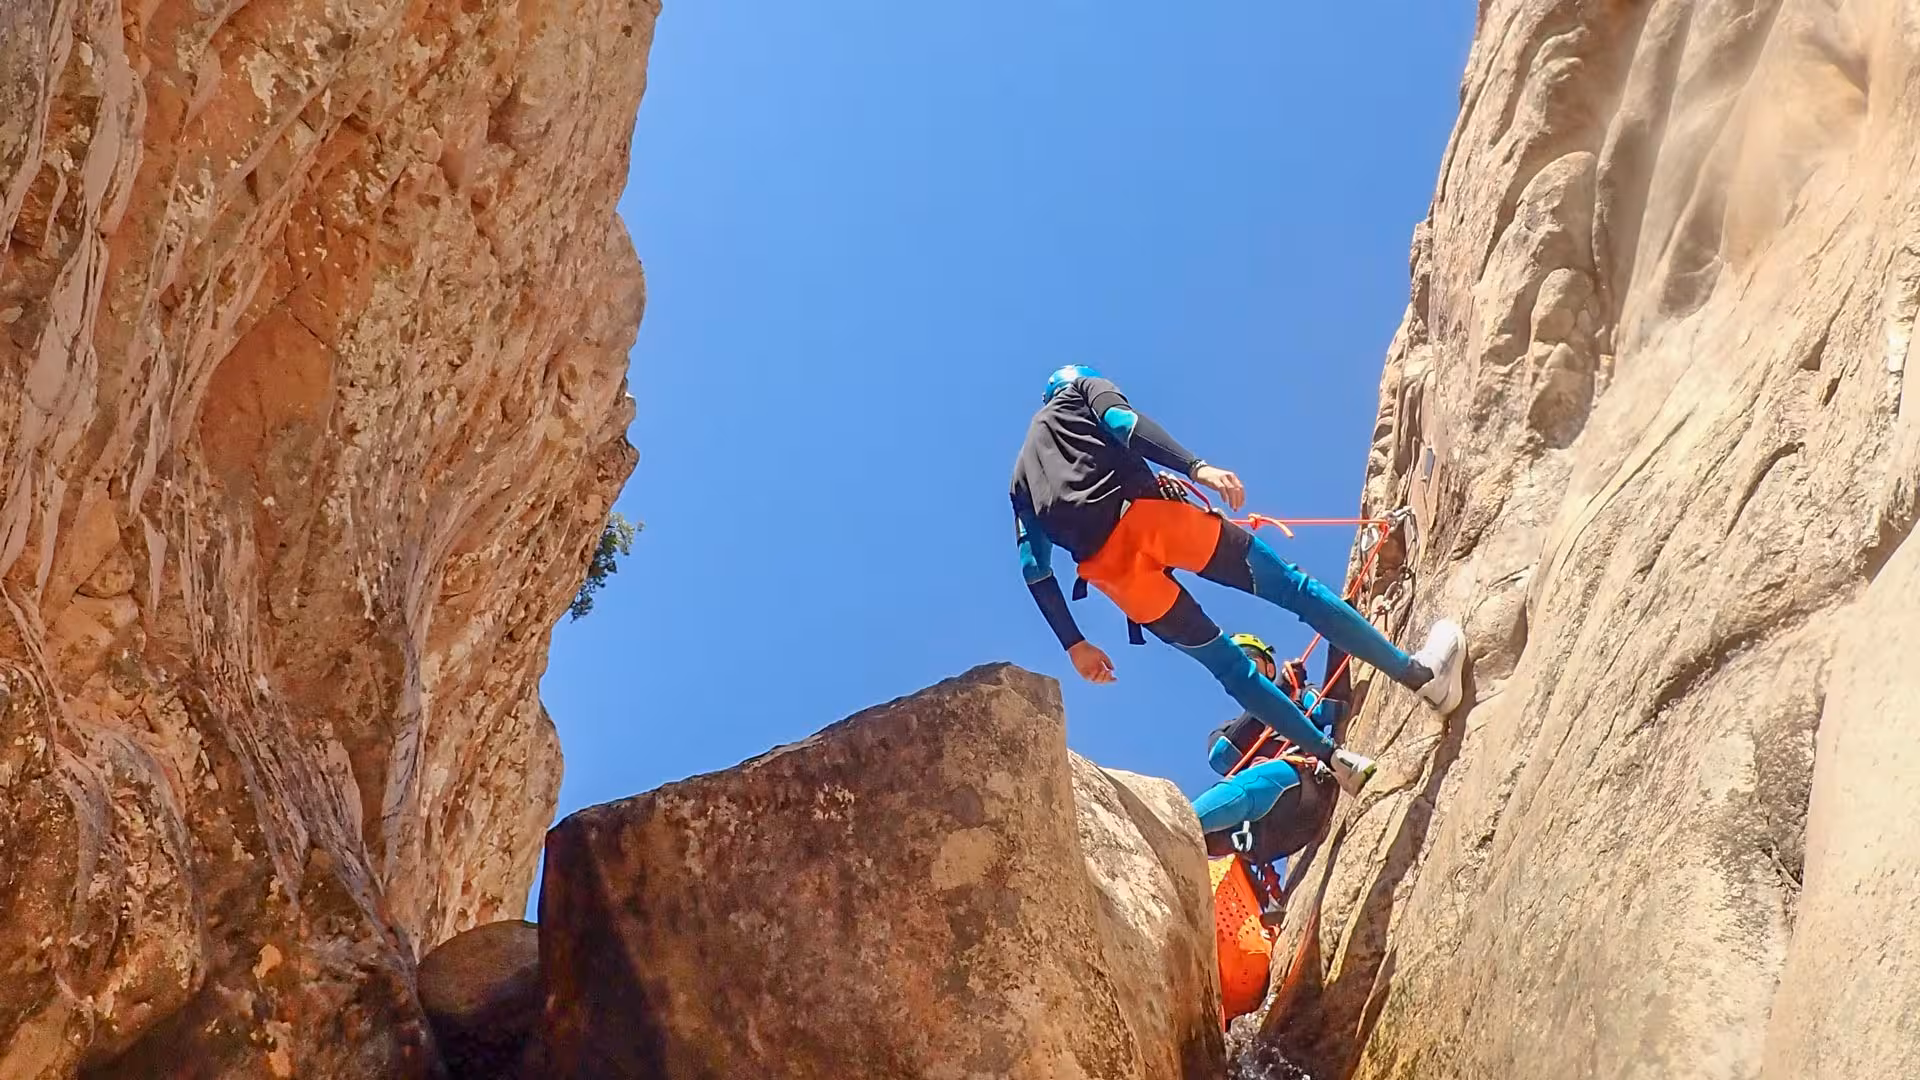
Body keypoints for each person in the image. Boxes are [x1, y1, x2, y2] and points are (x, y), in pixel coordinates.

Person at [1010, 365, 1465, 795]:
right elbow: (1123, 422)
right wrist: (1196, 467)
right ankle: (1422, 677)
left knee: (1230, 668)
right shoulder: (1081, 392)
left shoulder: (1020, 480)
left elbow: (1036, 567)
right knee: (1294, 589)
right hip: (1152, 522)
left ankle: (1334, 759)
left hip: (1117, 577)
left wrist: (1075, 644)